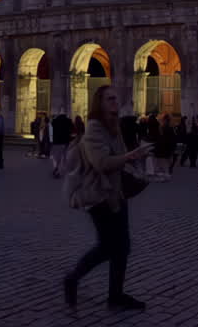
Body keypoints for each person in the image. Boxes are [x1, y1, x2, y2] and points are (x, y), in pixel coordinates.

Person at [63, 84, 151, 311]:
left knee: (122, 247)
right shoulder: (94, 128)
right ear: (100, 103)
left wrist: (133, 158)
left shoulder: (114, 125)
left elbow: (119, 157)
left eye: (116, 98)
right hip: (98, 195)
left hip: (115, 192)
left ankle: (116, 295)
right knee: (107, 247)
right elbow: (100, 162)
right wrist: (130, 156)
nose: (115, 102)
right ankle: (72, 278)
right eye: (110, 99)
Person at [50, 113, 73, 178]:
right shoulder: (69, 121)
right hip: (66, 141)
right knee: (64, 157)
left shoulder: (54, 121)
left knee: (56, 157)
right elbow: (72, 129)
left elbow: (52, 128)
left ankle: (56, 168)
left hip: (56, 142)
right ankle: (61, 170)